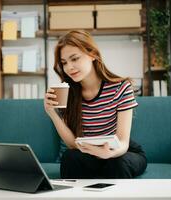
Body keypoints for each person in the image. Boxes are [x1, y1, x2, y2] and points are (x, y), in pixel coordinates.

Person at [44, 30, 147, 179]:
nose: (69, 67)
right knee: (69, 158)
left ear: (92, 54)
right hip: (89, 153)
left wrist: (109, 153)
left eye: (75, 58)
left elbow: (123, 142)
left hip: (120, 152)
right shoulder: (69, 93)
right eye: (64, 62)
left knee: (117, 164)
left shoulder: (121, 87)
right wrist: (52, 113)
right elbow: (73, 145)